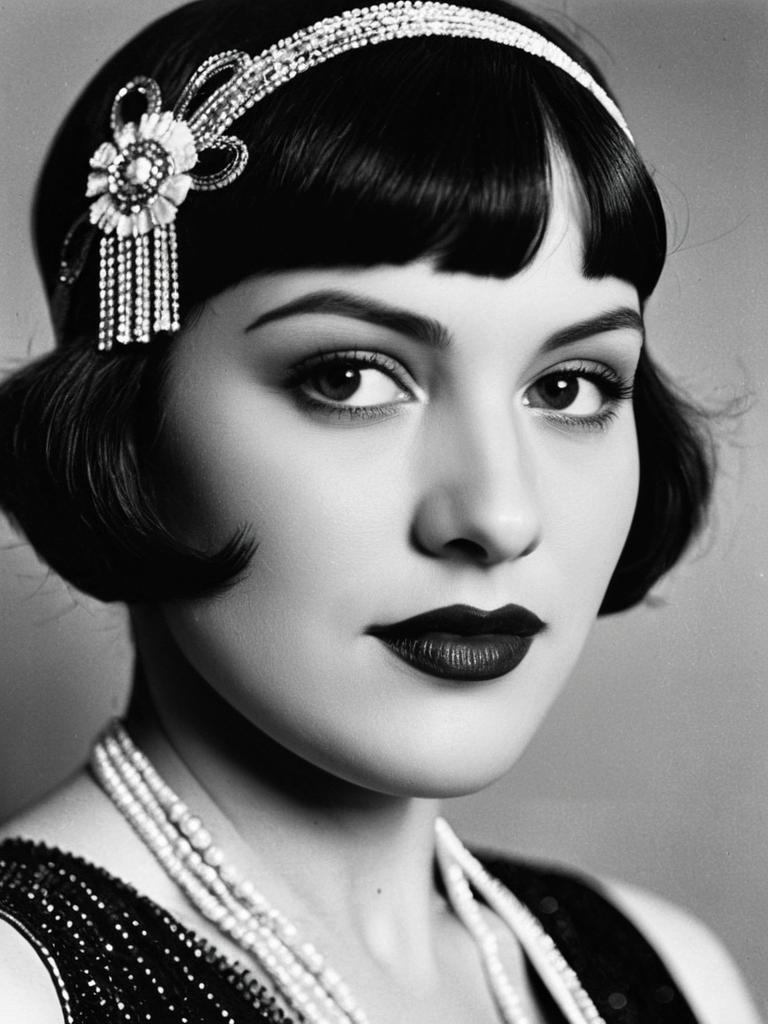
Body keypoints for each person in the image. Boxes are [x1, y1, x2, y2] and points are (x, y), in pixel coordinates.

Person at [0, 0, 760, 1020]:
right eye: (349, 376)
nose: (498, 515)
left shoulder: (676, 974)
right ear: (124, 421)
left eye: (569, 386)